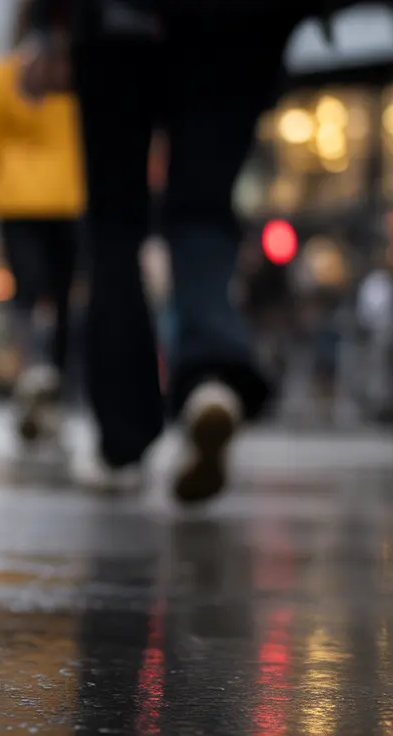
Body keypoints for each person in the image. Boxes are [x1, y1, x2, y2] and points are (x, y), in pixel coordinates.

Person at [20, 0, 350, 500]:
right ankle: (210, 375)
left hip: (117, 27)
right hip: (234, 26)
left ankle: (122, 441)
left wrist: (45, 27)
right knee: (204, 210)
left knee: (114, 224)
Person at [0, 0, 85, 449]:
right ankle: (55, 383)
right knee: (66, 296)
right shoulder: (72, 75)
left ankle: (33, 367)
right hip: (72, 197)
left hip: (13, 198)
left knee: (26, 291)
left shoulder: (1, 75)